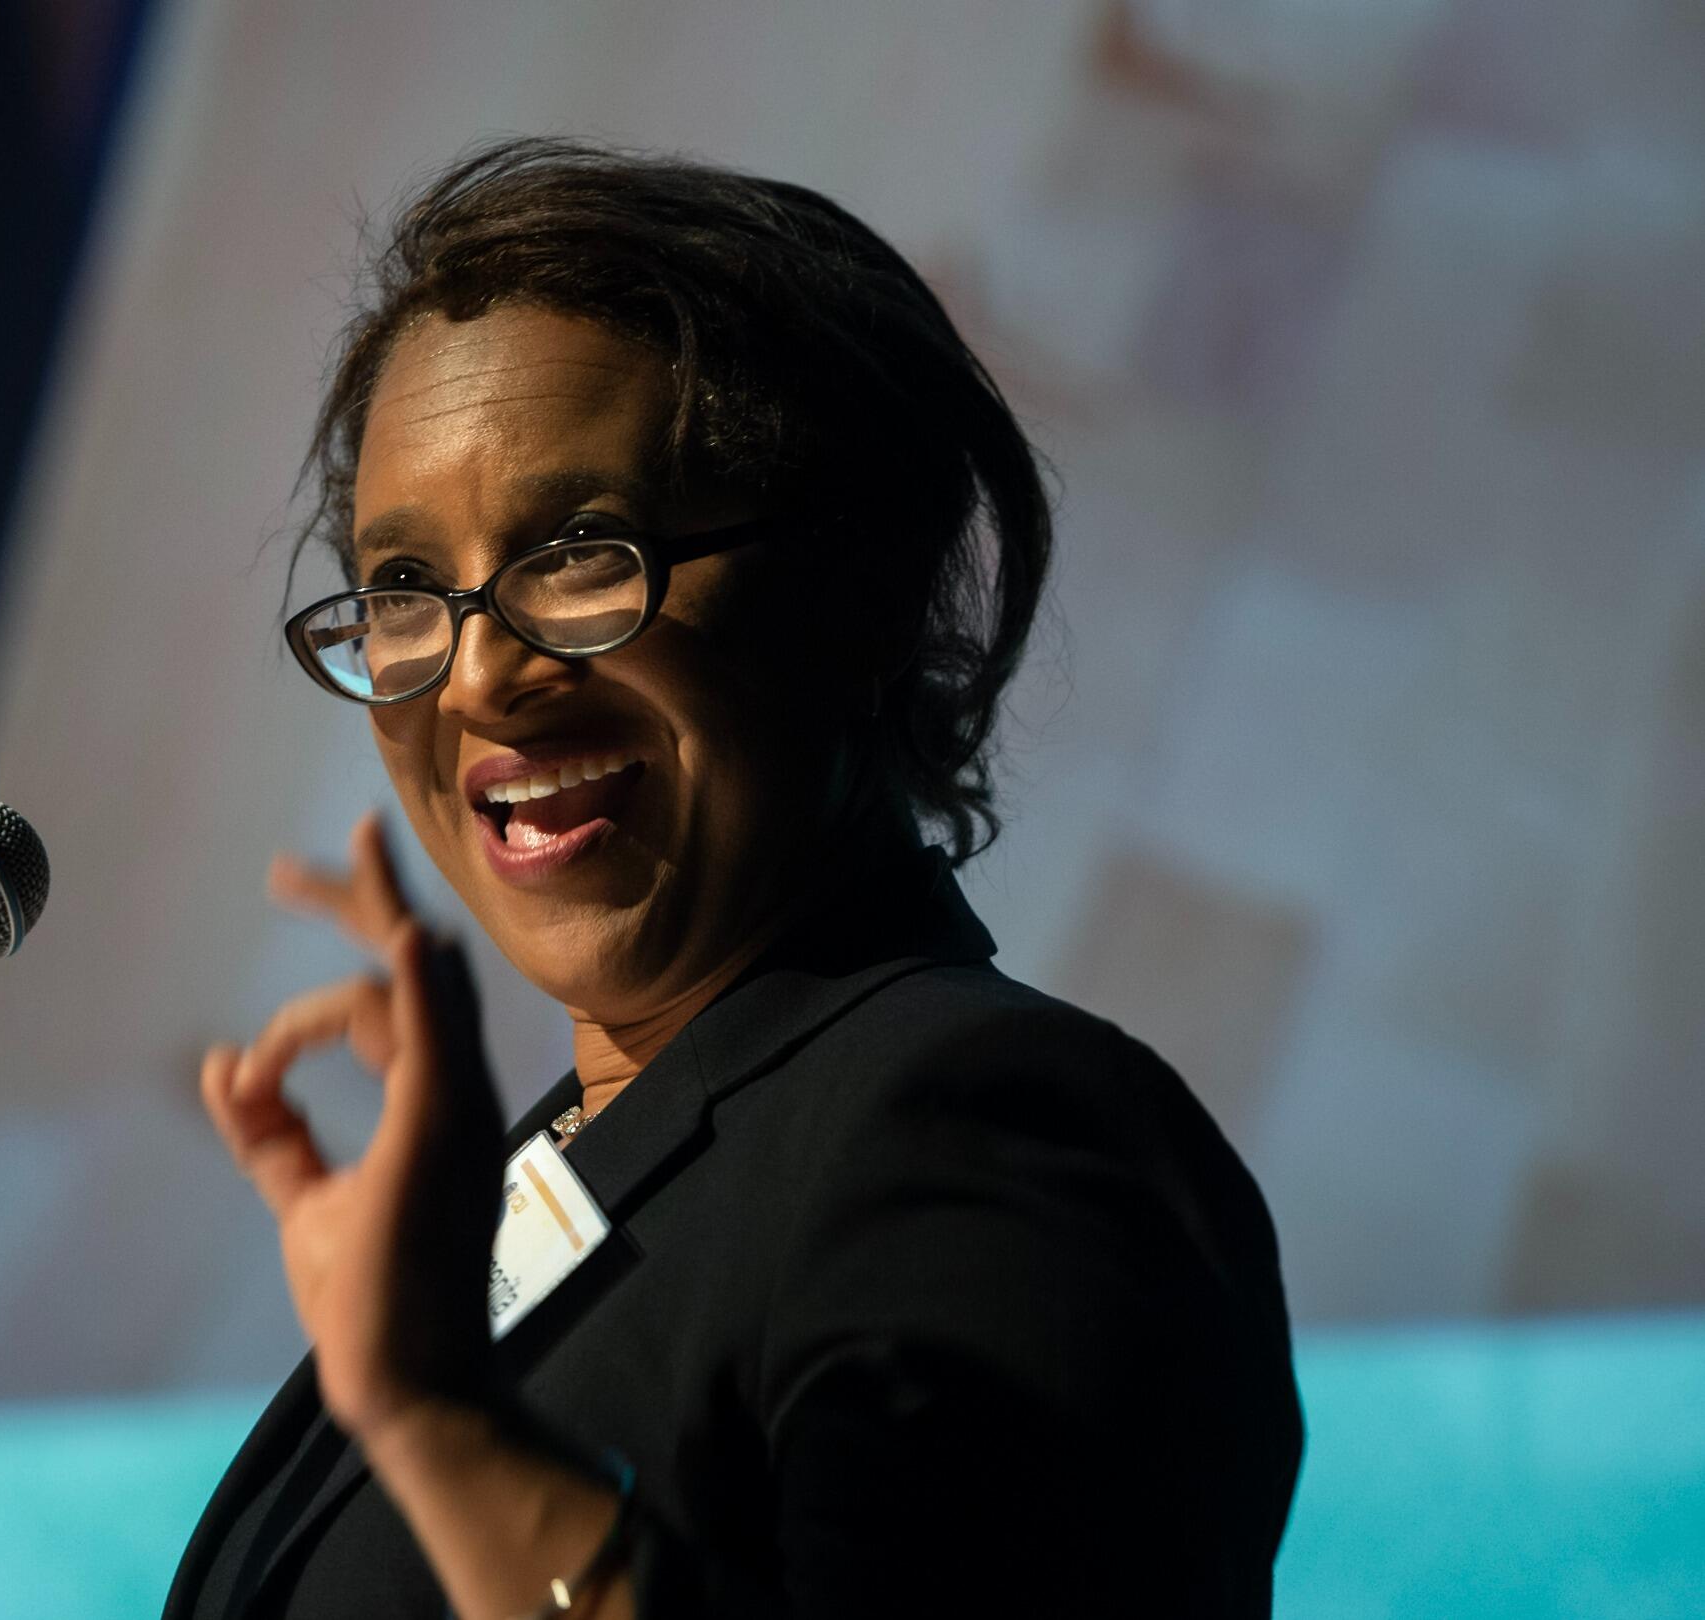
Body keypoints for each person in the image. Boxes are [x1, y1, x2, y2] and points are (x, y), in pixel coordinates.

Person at [166, 139, 1303, 1620]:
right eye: (403, 590)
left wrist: (444, 1431)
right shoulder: (557, 1182)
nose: (483, 676)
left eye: (581, 550)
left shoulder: (985, 1124)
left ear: (859, 590)